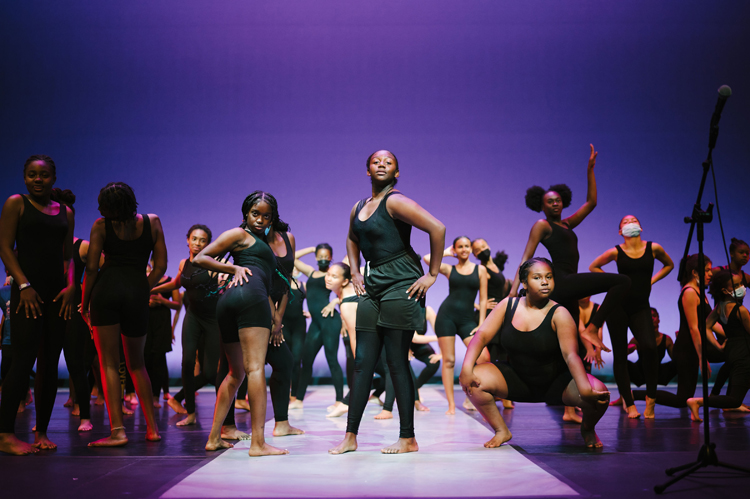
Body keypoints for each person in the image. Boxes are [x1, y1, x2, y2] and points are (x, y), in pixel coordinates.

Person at [329, 149, 446, 455]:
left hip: (402, 282)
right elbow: (352, 238)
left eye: (389, 162)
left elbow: (438, 228)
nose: (381, 165)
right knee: (362, 362)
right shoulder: (358, 206)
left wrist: (432, 274)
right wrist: (354, 270)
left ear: (397, 172)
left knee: (396, 360)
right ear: (367, 170)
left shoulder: (395, 200)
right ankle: (350, 436)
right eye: (375, 162)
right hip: (374, 284)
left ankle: (408, 437)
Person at [460, 258, 610, 448]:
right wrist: (466, 368)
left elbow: (571, 355)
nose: (545, 281)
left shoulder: (559, 313)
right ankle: (501, 430)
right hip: (516, 379)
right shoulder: (508, 305)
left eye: (549, 277)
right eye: (537, 277)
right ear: (524, 282)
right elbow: (481, 335)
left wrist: (585, 389)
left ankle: (588, 428)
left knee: (600, 393)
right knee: (473, 381)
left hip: (555, 383)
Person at [509, 145, 628, 361]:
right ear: (542, 206)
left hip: (569, 287)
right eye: (549, 202)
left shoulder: (568, 224)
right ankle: (593, 327)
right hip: (561, 281)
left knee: (572, 347)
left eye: (558, 201)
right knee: (622, 281)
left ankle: (565, 390)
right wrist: (513, 291)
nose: (555, 204)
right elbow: (525, 258)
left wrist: (590, 169)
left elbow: (592, 203)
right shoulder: (542, 225)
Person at [195, 191, 288, 456]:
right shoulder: (239, 234)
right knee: (255, 369)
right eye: (255, 214)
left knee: (236, 373)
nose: (260, 219)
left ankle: (214, 438)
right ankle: (258, 443)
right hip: (249, 300)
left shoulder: (259, 240)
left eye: (266, 215)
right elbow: (199, 258)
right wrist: (232, 269)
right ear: (245, 213)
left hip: (230, 302)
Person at [0, 155, 76, 455]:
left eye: (43, 175)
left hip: (57, 295)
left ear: (53, 178)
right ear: (24, 178)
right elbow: (5, 247)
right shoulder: (16, 203)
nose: (37, 179)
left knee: (48, 362)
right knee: (22, 359)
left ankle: (41, 432)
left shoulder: (66, 212)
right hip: (27, 292)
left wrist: (72, 286)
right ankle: (5, 433)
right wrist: (23, 285)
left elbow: (67, 256)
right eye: (31, 174)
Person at [82, 182, 164, 447]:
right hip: (136, 296)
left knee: (109, 363)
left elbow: (92, 269)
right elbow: (160, 265)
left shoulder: (99, 226)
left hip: (106, 294)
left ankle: (118, 431)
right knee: (137, 364)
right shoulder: (152, 222)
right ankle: (152, 429)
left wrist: (84, 305)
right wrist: (142, 288)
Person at [588, 215, 674, 418]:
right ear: (620, 231)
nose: (630, 223)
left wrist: (652, 280)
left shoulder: (654, 248)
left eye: (633, 220)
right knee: (620, 354)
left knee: (650, 348)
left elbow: (669, 265)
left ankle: (650, 400)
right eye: (625, 222)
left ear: (641, 227)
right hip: (618, 308)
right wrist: (613, 283)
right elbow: (593, 266)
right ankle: (629, 403)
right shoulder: (615, 252)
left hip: (640, 307)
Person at [632, 255, 723, 409]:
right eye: (707, 270)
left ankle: (730, 399)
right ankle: (634, 395)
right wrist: (702, 358)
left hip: (698, 346)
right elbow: (694, 328)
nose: (710, 274)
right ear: (695, 273)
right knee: (682, 400)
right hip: (688, 349)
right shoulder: (689, 293)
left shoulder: (701, 292)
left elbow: (709, 323)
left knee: (734, 355)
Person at [152, 225, 219, 426]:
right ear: (187, 241)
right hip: (193, 318)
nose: (198, 243)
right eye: (195, 239)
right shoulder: (184, 263)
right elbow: (176, 283)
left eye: (203, 240)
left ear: (208, 243)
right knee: (187, 363)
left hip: (212, 320)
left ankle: (225, 419)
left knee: (209, 373)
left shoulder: (213, 264)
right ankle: (190, 414)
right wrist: (150, 288)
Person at [426, 237, 488, 414]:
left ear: (471, 249)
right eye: (460, 247)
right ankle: (451, 405)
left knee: (483, 356)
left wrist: (482, 323)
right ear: (455, 249)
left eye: (467, 246)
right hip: (446, 317)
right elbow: (427, 258)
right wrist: (446, 252)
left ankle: (474, 398)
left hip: (468, 319)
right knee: (449, 361)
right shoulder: (449, 268)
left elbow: (483, 299)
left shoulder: (480, 270)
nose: (464, 249)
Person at [686, 270, 750, 421]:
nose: (741, 287)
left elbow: (706, 327)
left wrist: (719, 347)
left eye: (741, 283)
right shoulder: (741, 311)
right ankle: (698, 401)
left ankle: (715, 397)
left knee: (736, 393)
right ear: (725, 290)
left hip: (733, 351)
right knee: (734, 400)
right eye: (736, 285)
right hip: (744, 355)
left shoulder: (720, 307)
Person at [291, 244, 345, 411]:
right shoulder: (311, 273)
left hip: (330, 321)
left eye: (326, 256)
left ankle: (339, 401)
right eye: (319, 256)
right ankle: (299, 399)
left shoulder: (332, 276)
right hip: (316, 323)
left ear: (331, 258)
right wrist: (310, 249)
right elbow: (292, 258)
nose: (323, 259)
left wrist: (333, 303)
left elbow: (346, 291)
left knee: (332, 360)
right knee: (306, 361)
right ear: (315, 257)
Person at [609, 308, 676, 408]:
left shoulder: (667, 339)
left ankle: (682, 397)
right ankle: (623, 396)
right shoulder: (637, 338)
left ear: (658, 319)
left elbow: (675, 358)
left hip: (658, 373)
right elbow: (624, 353)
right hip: (640, 373)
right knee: (622, 363)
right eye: (649, 316)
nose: (652, 318)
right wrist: (629, 348)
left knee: (680, 364)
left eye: (654, 316)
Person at [283, 268, 307, 404]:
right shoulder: (283, 284)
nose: (296, 270)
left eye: (298, 268)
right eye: (293, 267)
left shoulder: (304, 285)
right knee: (286, 361)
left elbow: (317, 300)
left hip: (299, 325)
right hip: (285, 324)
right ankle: (285, 391)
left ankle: (295, 394)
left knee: (297, 360)